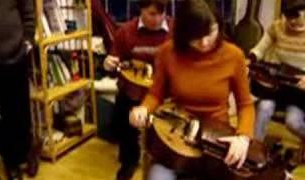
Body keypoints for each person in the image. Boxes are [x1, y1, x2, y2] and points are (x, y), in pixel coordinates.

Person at [129, 0, 255, 179]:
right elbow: (155, 94)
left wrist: (243, 137)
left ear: (219, 25)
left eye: (210, 32)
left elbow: (245, 104)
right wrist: (143, 109)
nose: (204, 43)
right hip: (175, 135)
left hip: (215, 140)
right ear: (183, 33)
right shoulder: (167, 52)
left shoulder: (234, 55)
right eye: (196, 36)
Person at [103, 0, 173, 179]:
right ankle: (128, 163)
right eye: (151, 13)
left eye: (161, 13)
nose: (157, 19)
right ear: (140, 9)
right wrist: (108, 63)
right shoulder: (126, 31)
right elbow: (114, 64)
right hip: (132, 94)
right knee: (126, 128)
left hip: (164, 97)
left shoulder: (176, 30)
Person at [0, 0, 34, 180]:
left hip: (13, 57)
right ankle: (20, 152)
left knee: (16, 115)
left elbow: (28, 10)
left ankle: (14, 162)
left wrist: (28, 40)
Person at [251, 0, 305, 142]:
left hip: (299, 91)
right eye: (288, 17)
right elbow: (260, 48)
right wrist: (251, 58)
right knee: (263, 107)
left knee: (293, 122)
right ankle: (255, 150)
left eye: (297, 17)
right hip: (278, 85)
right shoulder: (277, 27)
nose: (292, 22)